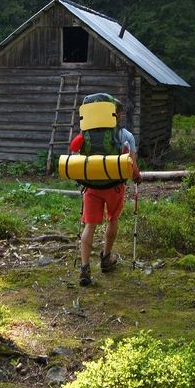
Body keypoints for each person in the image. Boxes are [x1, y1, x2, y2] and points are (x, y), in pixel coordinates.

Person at [68, 97, 141, 287]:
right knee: (112, 220)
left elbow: (74, 156)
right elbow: (133, 167)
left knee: (89, 226)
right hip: (114, 187)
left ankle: (84, 268)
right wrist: (137, 177)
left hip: (91, 187)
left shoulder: (85, 136)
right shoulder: (126, 136)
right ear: (116, 114)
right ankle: (106, 259)